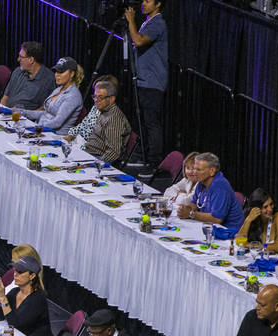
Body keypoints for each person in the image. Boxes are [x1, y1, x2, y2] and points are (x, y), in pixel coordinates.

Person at [125, 0, 167, 173]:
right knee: (142, 120)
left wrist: (130, 20)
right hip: (143, 80)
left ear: (158, 4)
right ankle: (142, 155)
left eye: (148, 1)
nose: (143, 4)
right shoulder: (147, 22)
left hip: (153, 82)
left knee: (151, 122)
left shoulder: (158, 22)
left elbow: (139, 41)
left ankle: (153, 163)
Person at [0, 255, 56, 336]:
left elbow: (15, 325)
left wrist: (2, 297)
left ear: (32, 276)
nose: (15, 274)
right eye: (15, 270)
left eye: (20, 272)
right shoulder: (15, 292)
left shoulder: (37, 299)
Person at [177, 153, 243, 236]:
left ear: (212, 171)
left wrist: (190, 214)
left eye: (198, 170)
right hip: (209, 228)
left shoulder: (220, 186)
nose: (194, 173)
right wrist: (186, 209)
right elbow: (194, 203)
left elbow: (216, 218)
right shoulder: (201, 182)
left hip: (228, 234)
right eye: (194, 169)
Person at [15, 57, 84, 135]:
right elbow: (45, 113)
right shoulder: (59, 89)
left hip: (56, 136)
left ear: (72, 74)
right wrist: (22, 112)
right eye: (56, 71)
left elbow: (57, 122)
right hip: (43, 131)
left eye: (61, 72)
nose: (57, 75)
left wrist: (34, 127)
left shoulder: (73, 95)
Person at [78, 81, 131, 164]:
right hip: (88, 152)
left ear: (111, 99)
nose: (96, 100)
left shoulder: (113, 118)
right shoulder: (104, 111)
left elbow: (114, 152)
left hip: (97, 157)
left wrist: (97, 165)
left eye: (100, 97)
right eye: (95, 97)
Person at [0, 41, 55, 110]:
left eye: (21, 57)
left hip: (25, 118)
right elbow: (5, 97)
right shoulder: (17, 71)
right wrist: (0, 111)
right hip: (6, 114)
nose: (18, 59)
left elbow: (44, 107)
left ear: (31, 60)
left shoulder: (49, 79)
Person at [236, 188, 278, 254]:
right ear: (256, 208)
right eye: (265, 207)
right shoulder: (256, 218)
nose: (270, 209)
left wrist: (251, 245)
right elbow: (239, 241)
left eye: (271, 204)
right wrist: (248, 220)